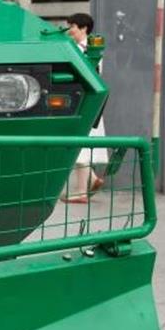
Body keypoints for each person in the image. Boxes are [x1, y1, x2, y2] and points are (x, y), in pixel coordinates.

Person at [62, 12, 106, 203]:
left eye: (72, 26)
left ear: (83, 28)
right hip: (86, 103)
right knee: (81, 146)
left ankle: (82, 191)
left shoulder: (85, 50)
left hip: (83, 103)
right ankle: (88, 183)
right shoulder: (86, 48)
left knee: (79, 146)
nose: (69, 30)